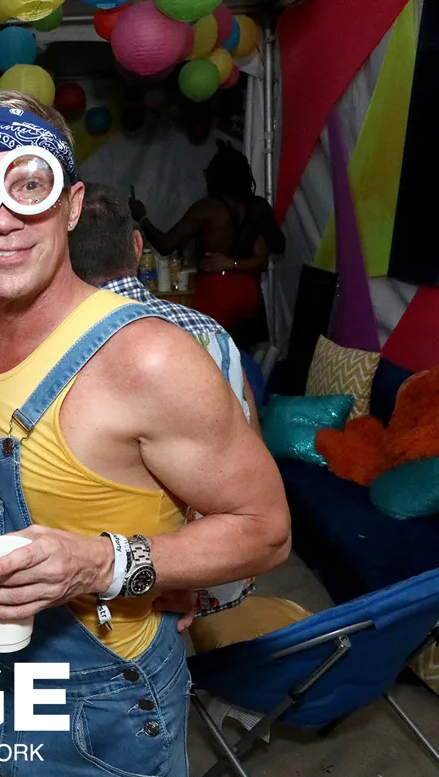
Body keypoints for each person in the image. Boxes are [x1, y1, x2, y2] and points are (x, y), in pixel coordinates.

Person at [0, 92, 290, 777]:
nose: (2, 217)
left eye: (29, 184)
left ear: (70, 205)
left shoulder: (147, 358)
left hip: (105, 709)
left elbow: (265, 529)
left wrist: (106, 564)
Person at [69, 181, 260, 616]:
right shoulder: (209, 331)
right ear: (137, 247)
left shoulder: (61, 345)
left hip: (107, 582)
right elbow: (251, 436)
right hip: (220, 563)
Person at [128, 140, 286, 350]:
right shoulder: (257, 208)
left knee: (206, 351)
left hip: (217, 290)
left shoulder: (208, 208)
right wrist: (236, 261)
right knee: (246, 354)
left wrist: (142, 218)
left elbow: (166, 244)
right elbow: (272, 251)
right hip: (249, 291)